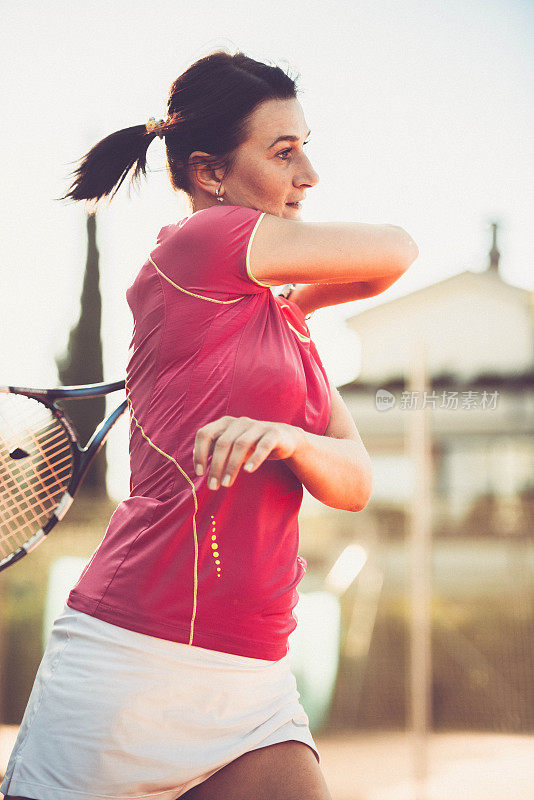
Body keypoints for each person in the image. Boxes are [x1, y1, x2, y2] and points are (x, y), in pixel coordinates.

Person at [1, 50, 418, 800]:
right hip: (129, 669)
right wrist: (299, 301)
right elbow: (394, 250)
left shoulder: (284, 334)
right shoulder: (198, 243)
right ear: (210, 173)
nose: (308, 176)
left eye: (306, 148)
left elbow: (354, 481)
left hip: (255, 678)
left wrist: (291, 436)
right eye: (283, 152)